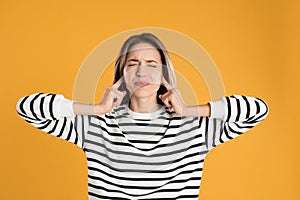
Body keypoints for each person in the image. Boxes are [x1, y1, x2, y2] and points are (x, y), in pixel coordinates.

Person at [16, 33, 269, 200]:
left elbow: (257, 110)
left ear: (164, 74)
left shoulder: (195, 128)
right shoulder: (95, 125)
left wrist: (190, 111)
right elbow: (27, 107)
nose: (142, 71)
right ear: (122, 74)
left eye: (152, 64)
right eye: (132, 63)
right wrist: (95, 110)